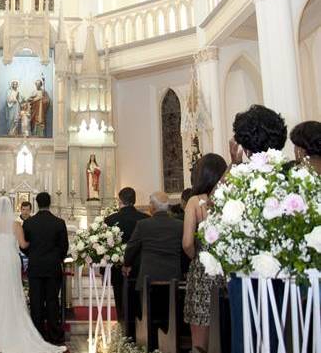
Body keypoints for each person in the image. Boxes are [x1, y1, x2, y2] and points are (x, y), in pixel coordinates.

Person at [0, 197, 66, 353]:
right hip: (11, 259)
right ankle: (29, 331)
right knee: (12, 292)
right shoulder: (16, 225)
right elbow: (23, 245)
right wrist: (41, 246)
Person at [228, 105, 287, 353]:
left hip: (246, 275)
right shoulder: (290, 176)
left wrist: (234, 164)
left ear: (244, 145)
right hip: (284, 273)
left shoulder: (239, 182)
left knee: (246, 338)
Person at [123, 191, 183, 348]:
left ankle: (150, 344)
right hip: (173, 277)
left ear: (152, 207)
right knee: (170, 313)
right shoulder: (179, 225)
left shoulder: (144, 225)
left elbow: (131, 247)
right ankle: (171, 342)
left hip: (149, 276)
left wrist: (127, 264)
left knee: (148, 312)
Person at [182, 154, 228, 353]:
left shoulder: (195, 201)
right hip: (225, 271)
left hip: (202, 272)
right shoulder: (230, 199)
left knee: (200, 341)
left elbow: (187, 243)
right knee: (226, 330)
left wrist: (197, 257)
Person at [22, 192, 69, 345]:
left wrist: (33, 255)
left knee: (36, 301)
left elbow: (24, 247)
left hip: (35, 267)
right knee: (52, 300)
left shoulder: (29, 223)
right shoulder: (59, 222)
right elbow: (64, 247)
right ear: (50, 203)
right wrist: (56, 258)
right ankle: (55, 335)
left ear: (36, 203)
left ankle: (37, 335)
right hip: (53, 267)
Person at [104, 187, 149, 340]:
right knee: (138, 300)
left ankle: (124, 331)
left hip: (118, 268)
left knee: (120, 298)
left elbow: (106, 246)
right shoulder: (145, 218)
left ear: (120, 201)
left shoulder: (110, 219)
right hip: (139, 267)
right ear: (134, 200)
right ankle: (139, 332)